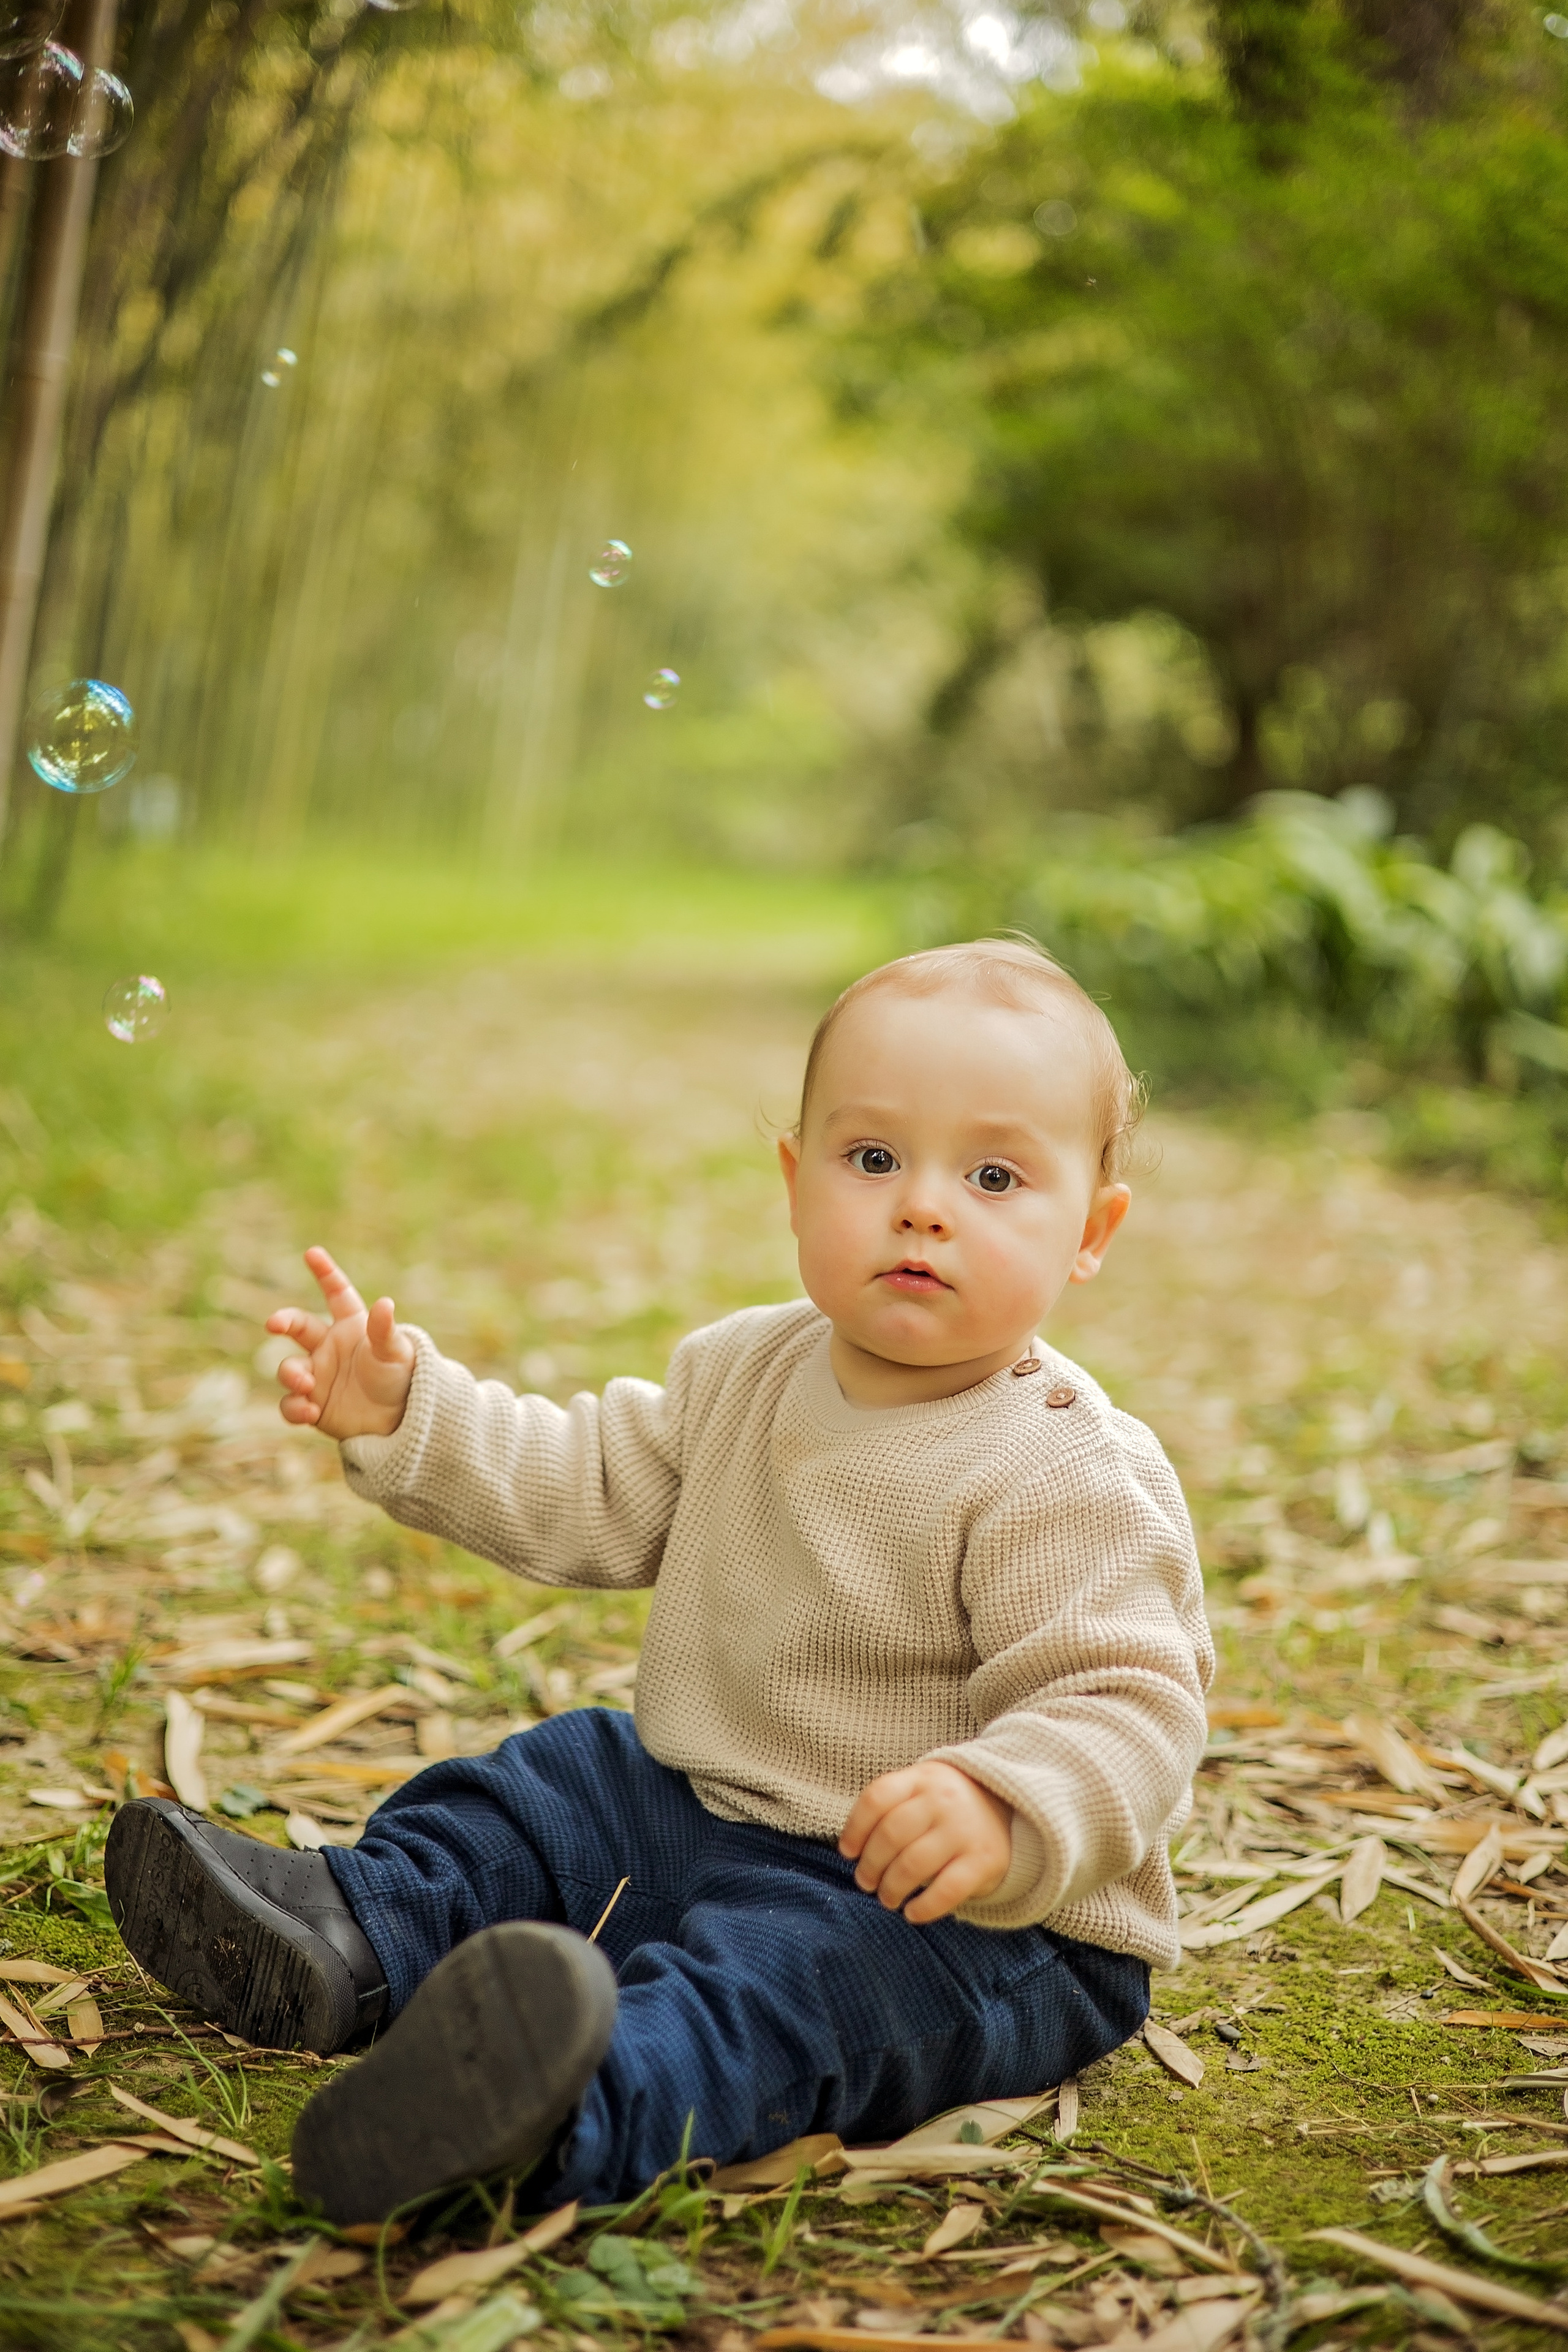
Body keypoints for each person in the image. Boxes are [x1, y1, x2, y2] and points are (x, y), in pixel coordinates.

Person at [105, 937, 1213, 2226]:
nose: (922, 1206)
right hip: (712, 1808)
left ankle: (562, 2110)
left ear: (1089, 1230)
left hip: (969, 1916)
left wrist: (1001, 1804)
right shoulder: (743, 1371)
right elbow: (580, 1480)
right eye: (870, 1160)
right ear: (796, 1185)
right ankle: (354, 1935)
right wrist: (410, 1413)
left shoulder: (1064, 1468)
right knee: (557, 1785)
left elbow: (1128, 1706)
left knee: (783, 1988)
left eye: (992, 1175)